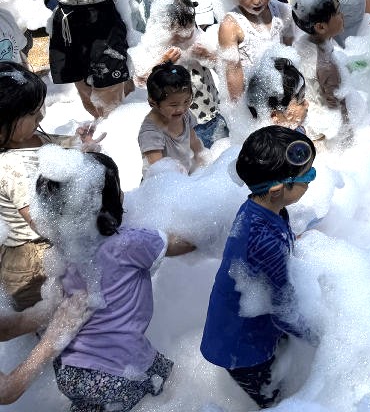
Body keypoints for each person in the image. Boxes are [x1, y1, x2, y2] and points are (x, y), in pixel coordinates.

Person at [41, 150, 195, 412]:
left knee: (98, 400)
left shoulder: (61, 248)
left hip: (69, 365)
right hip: (118, 367)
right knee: (164, 382)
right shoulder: (131, 243)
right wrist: (205, 223)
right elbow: (185, 243)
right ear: (116, 199)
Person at [201, 126, 319, 408]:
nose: (312, 182)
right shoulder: (263, 240)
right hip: (242, 348)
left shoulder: (265, 208)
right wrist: (318, 336)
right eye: (308, 177)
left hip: (247, 319)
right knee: (272, 396)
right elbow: (282, 310)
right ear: (278, 189)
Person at [0, 62, 103, 310]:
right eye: (33, 113)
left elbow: (52, 147)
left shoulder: (30, 136)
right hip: (29, 259)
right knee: (47, 316)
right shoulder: (9, 167)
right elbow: (40, 221)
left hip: (53, 246)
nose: (42, 116)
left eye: (41, 108)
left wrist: (80, 143)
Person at [133, 0, 227, 148]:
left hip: (212, 111)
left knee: (218, 150)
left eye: (188, 29)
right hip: (179, 122)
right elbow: (140, 80)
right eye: (176, 33)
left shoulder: (199, 39)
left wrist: (209, 56)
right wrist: (162, 63)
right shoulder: (157, 48)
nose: (183, 36)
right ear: (162, 28)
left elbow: (223, 68)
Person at [218, 0, 294, 101]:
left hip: (284, 88)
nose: (257, 0)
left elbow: (290, 52)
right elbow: (233, 72)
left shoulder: (282, 11)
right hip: (252, 96)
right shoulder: (231, 25)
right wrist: (239, 110)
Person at [290, 0, 351, 132]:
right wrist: (348, 136)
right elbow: (337, 107)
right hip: (325, 128)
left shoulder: (304, 41)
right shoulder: (327, 65)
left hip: (311, 119)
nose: (342, 16)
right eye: (338, 12)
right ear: (321, 27)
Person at [137, 62, 204, 174]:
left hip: (183, 178)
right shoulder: (150, 133)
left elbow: (194, 142)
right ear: (153, 102)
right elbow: (158, 168)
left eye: (187, 101)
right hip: (162, 184)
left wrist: (202, 159)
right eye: (174, 105)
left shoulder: (185, 115)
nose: (181, 109)